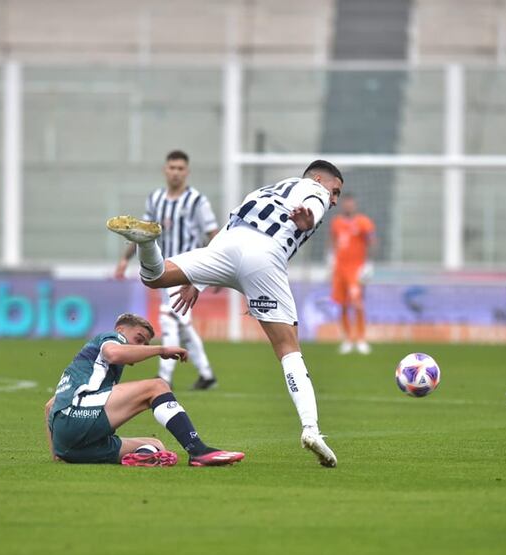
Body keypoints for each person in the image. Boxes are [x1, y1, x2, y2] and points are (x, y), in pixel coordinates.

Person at [106, 160, 344, 467]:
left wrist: (196, 281)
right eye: (335, 190)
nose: (334, 198)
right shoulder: (314, 188)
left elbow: (225, 234)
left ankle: (148, 242)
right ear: (321, 178)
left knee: (156, 276)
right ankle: (311, 429)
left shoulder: (262, 191)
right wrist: (310, 217)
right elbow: (316, 203)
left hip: (227, 248)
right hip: (264, 256)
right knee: (288, 349)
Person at [43, 312, 245, 467]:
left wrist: (58, 453)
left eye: (146, 344)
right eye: (139, 339)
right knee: (156, 386)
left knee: (156, 445)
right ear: (121, 330)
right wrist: (161, 349)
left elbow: (50, 406)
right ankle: (198, 450)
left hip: (73, 446)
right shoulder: (112, 337)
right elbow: (113, 353)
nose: (141, 346)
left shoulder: (88, 373)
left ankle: (142, 458)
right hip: (79, 417)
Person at [115, 150, 219, 391]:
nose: (175, 172)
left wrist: (215, 268)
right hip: (163, 270)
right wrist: (124, 259)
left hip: (188, 269)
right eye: (172, 167)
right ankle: (206, 374)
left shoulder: (197, 201)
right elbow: (141, 233)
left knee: (170, 317)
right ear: (165, 170)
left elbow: (213, 234)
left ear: (187, 172)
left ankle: (165, 376)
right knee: (181, 321)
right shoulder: (155, 199)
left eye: (180, 168)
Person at [329, 194, 376, 355]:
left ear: (354, 205)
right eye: (346, 203)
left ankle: (361, 339)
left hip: (356, 269)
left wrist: (369, 264)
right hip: (339, 269)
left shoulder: (363, 222)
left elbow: (372, 242)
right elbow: (333, 241)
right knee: (342, 305)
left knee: (357, 304)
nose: (348, 206)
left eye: (351, 203)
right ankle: (348, 339)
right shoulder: (336, 222)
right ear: (343, 205)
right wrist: (330, 259)